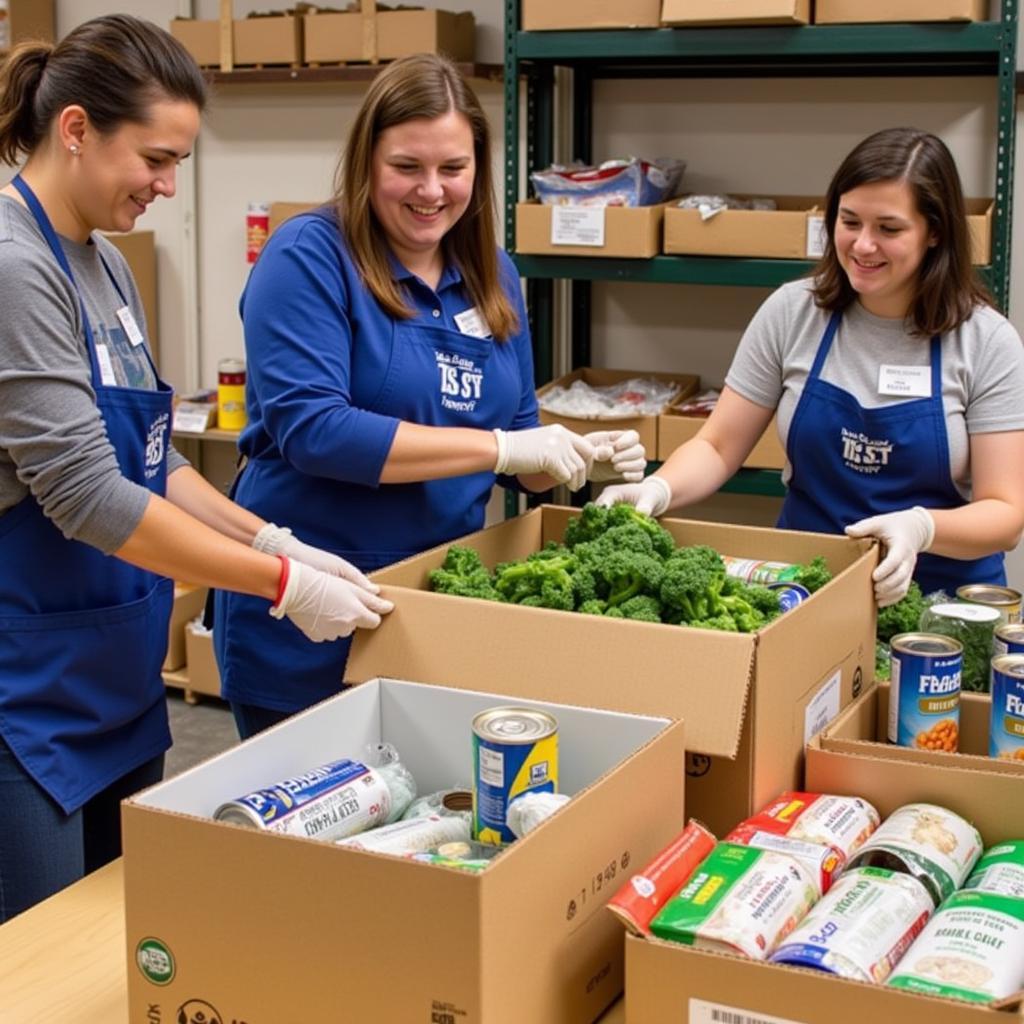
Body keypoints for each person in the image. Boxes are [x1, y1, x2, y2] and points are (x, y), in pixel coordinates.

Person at [0, 15, 393, 922]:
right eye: (156, 159)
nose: (169, 187)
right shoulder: (18, 266)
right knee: (39, 962)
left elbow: (147, 457)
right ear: (75, 131)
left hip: (111, 675)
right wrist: (280, 582)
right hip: (27, 699)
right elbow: (88, 493)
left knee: (121, 944)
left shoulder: (104, 266)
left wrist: (266, 532)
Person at [214, 53, 646, 739]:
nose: (432, 191)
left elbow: (520, 441)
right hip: (313, 609)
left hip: (440, 603)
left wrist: (571, 457)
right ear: (366, 163)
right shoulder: (308, 257)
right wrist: (501, 447)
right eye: (406, 167)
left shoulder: (491, 273)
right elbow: (316, 431)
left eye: (453, 168)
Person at [598, 127, 1024, 608]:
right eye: (849, 221)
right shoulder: (793, 312)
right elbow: (718, 447)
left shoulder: (985, 342)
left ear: (935, 232)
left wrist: (921, 526)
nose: (863, 245)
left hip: (945, 607)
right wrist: (659, 487)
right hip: (808, 589)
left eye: (889, 228)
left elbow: (1005, 515)